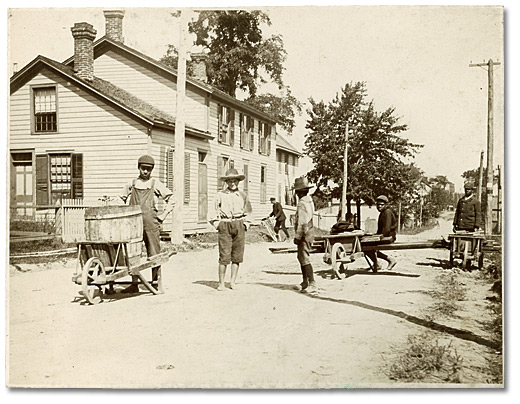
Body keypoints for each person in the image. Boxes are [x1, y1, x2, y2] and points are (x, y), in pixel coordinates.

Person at [119, 155, 174, 293]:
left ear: (151, 170)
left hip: (151, 223)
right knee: (133, 253)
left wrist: (163, 216)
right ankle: (134, 283)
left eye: (148, 169)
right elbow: (120, 199)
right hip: (133, 224)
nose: (145, 172)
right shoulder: (131, 183)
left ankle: (155, 282)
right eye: (143, 168)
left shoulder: (156, 184)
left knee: (154, 252)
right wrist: (121, 215)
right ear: (139, 168)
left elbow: (172, 199)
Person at [209, 168, 252, 291]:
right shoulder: (220, 195)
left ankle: (233, 282)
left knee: (237, 256)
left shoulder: (243, 195)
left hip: (239, 224)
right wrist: (217, 224)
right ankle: (221, 283)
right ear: (226, 182)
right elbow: (213, 211)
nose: (232, 183)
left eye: (235, 181)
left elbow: (249, 211)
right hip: (225, 224)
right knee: (224, 255)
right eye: (230, 181)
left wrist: (246, 224)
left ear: (238, 181)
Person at [293, 177, 317, 293]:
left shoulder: (302, 203)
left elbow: (302, 223)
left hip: (304, 232)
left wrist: (298, 237)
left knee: (304, 257)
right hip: (310, 230)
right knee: (301, 257)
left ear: (299, 192)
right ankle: (304, 281)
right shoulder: (310, 201)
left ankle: (312, 282)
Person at [364, 195, 398, 272]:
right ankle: (379, 263)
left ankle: (388, 260)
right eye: (378, 205)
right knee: (366, 245)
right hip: (385, 236)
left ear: (385, 205)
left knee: (366, 246)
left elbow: (386, 229)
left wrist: (376, 237)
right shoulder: (383, 213)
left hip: (389, 237)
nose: (379, 206)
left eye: (381, 205)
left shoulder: (387, 212)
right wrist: (374, 235)